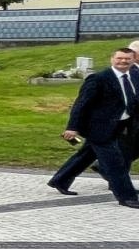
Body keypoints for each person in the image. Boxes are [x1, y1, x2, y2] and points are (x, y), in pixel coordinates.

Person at [47, 47, 138, 207]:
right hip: (98, 127)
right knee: (115, 163)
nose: (123, 61)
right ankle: (127, 197)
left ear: (133, 60)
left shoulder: (134, 77)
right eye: (119, 58)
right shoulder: (99, 78)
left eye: (127, 59)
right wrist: (72, 127)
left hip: (120, 126)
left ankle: (60, 180)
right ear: (112, 59)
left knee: (86, 155)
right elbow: (81, 104)